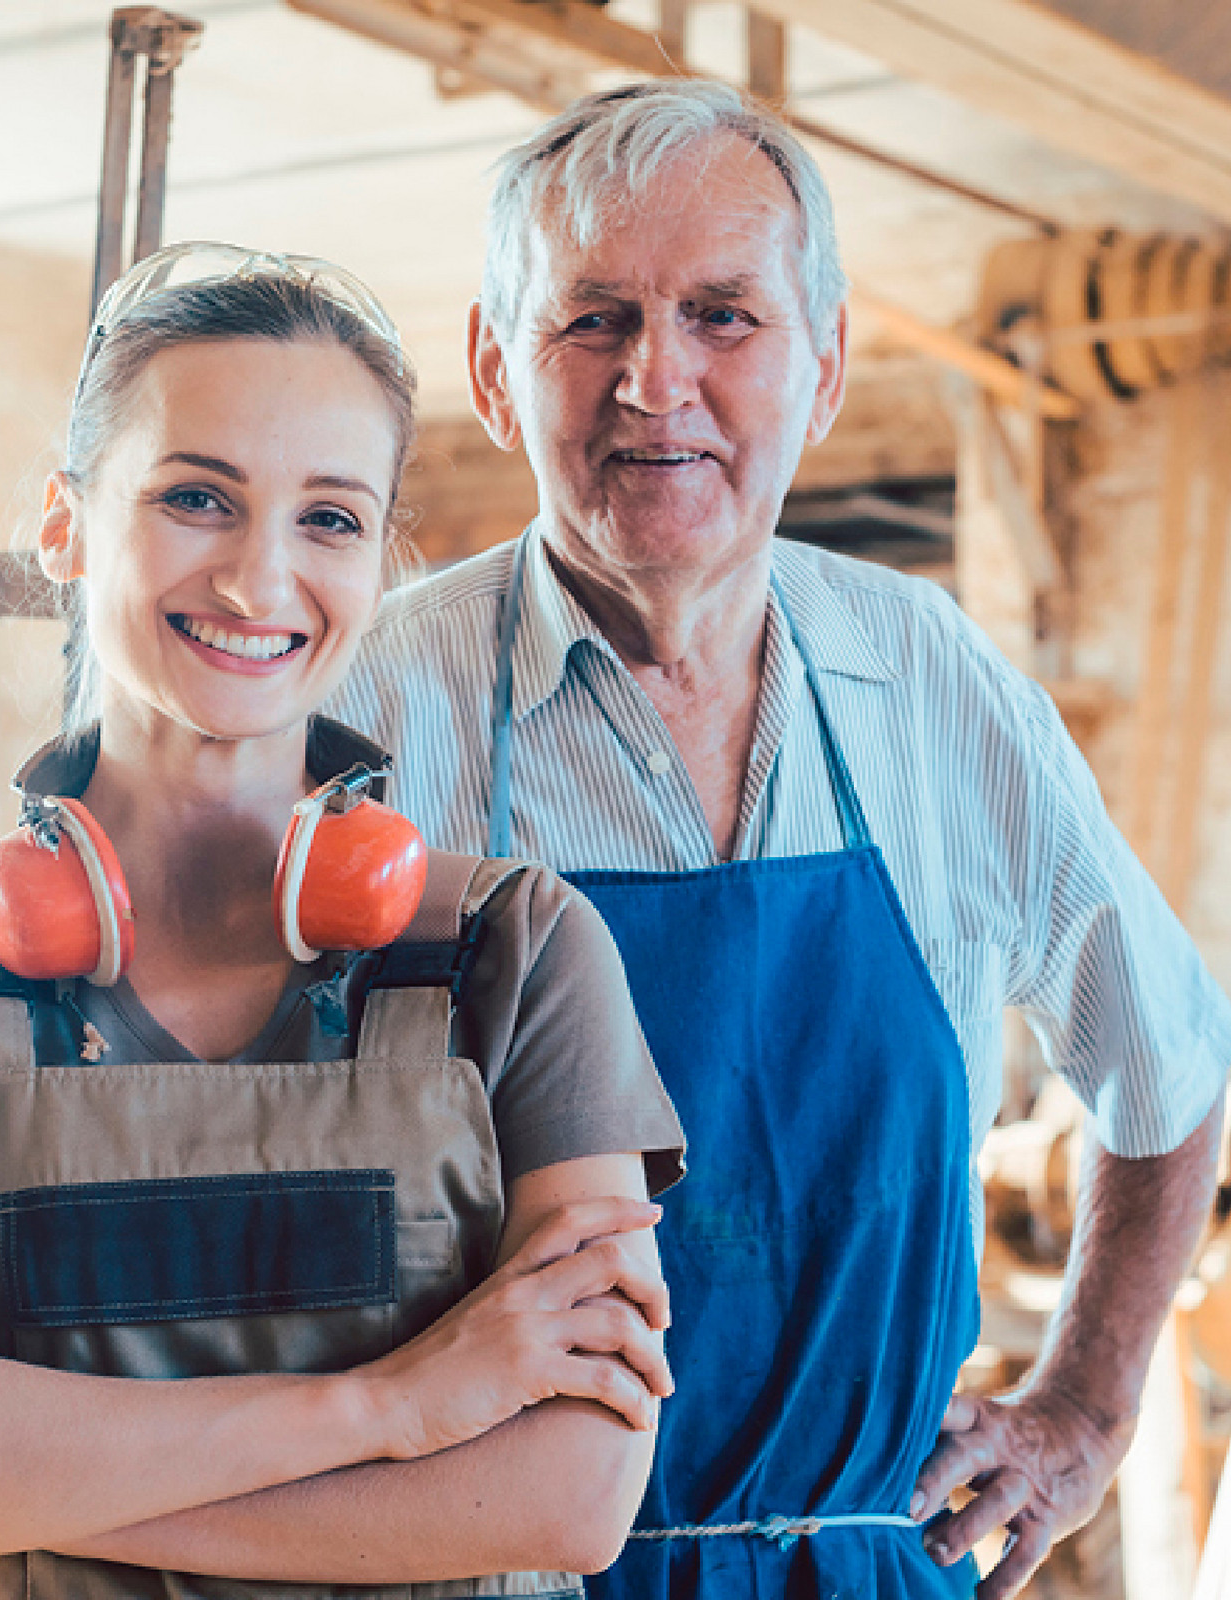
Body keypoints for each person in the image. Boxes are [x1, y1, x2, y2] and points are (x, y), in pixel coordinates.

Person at [321, 82, 1231, 1600]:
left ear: (825, 366)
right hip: (476, 1579)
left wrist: (1086, 1408)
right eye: (591, 320)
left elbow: (1173, 1066)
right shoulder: (360, 709)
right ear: (493, 369)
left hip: (862, 1568)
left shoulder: (933, 682)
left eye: (724, 317)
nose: (654, 380)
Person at [0, 243, 686, 1600]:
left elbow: (565, 1497)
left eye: (330, 518)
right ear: (65, 525)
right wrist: (399, 1410)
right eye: (196, 497)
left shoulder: (516, 953)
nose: (258, 582)